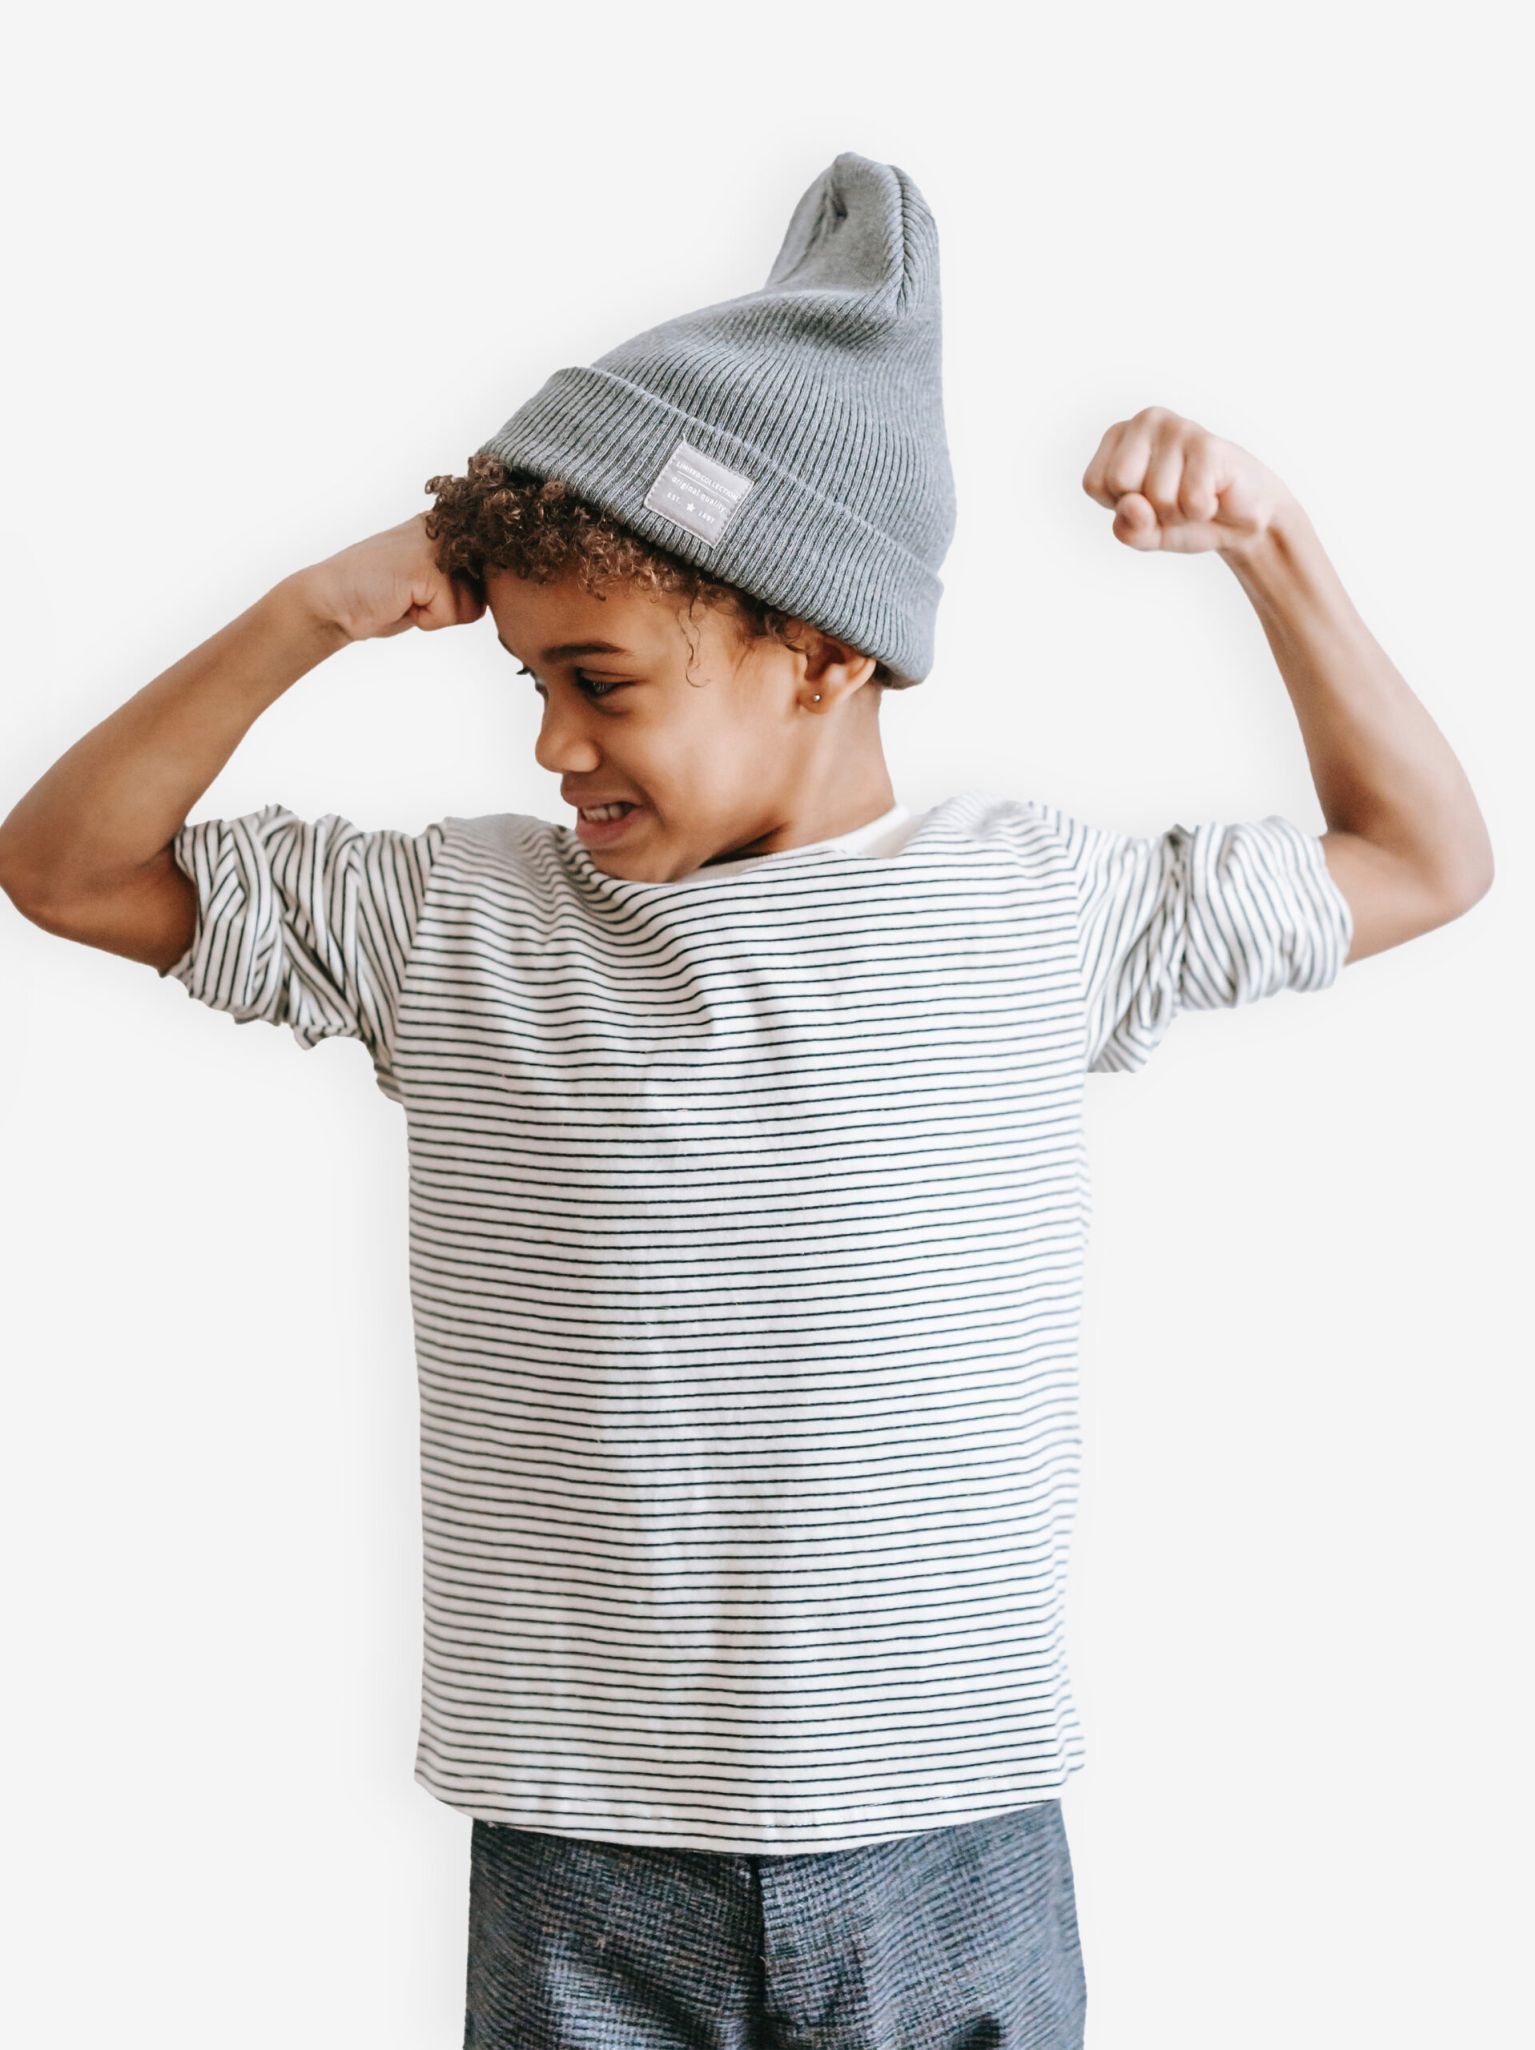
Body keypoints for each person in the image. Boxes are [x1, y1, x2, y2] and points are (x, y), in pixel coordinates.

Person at [0, 151, 1492, 2050]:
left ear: (825, 645)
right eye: (531, 677)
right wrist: (307, 612)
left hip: (948, 1831)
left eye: (600, 680)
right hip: (583, 1844)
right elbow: (63, 865)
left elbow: (1425, 860)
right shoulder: (455, 922)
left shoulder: (1033, 908)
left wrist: (1275, 545)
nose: (551, 739)